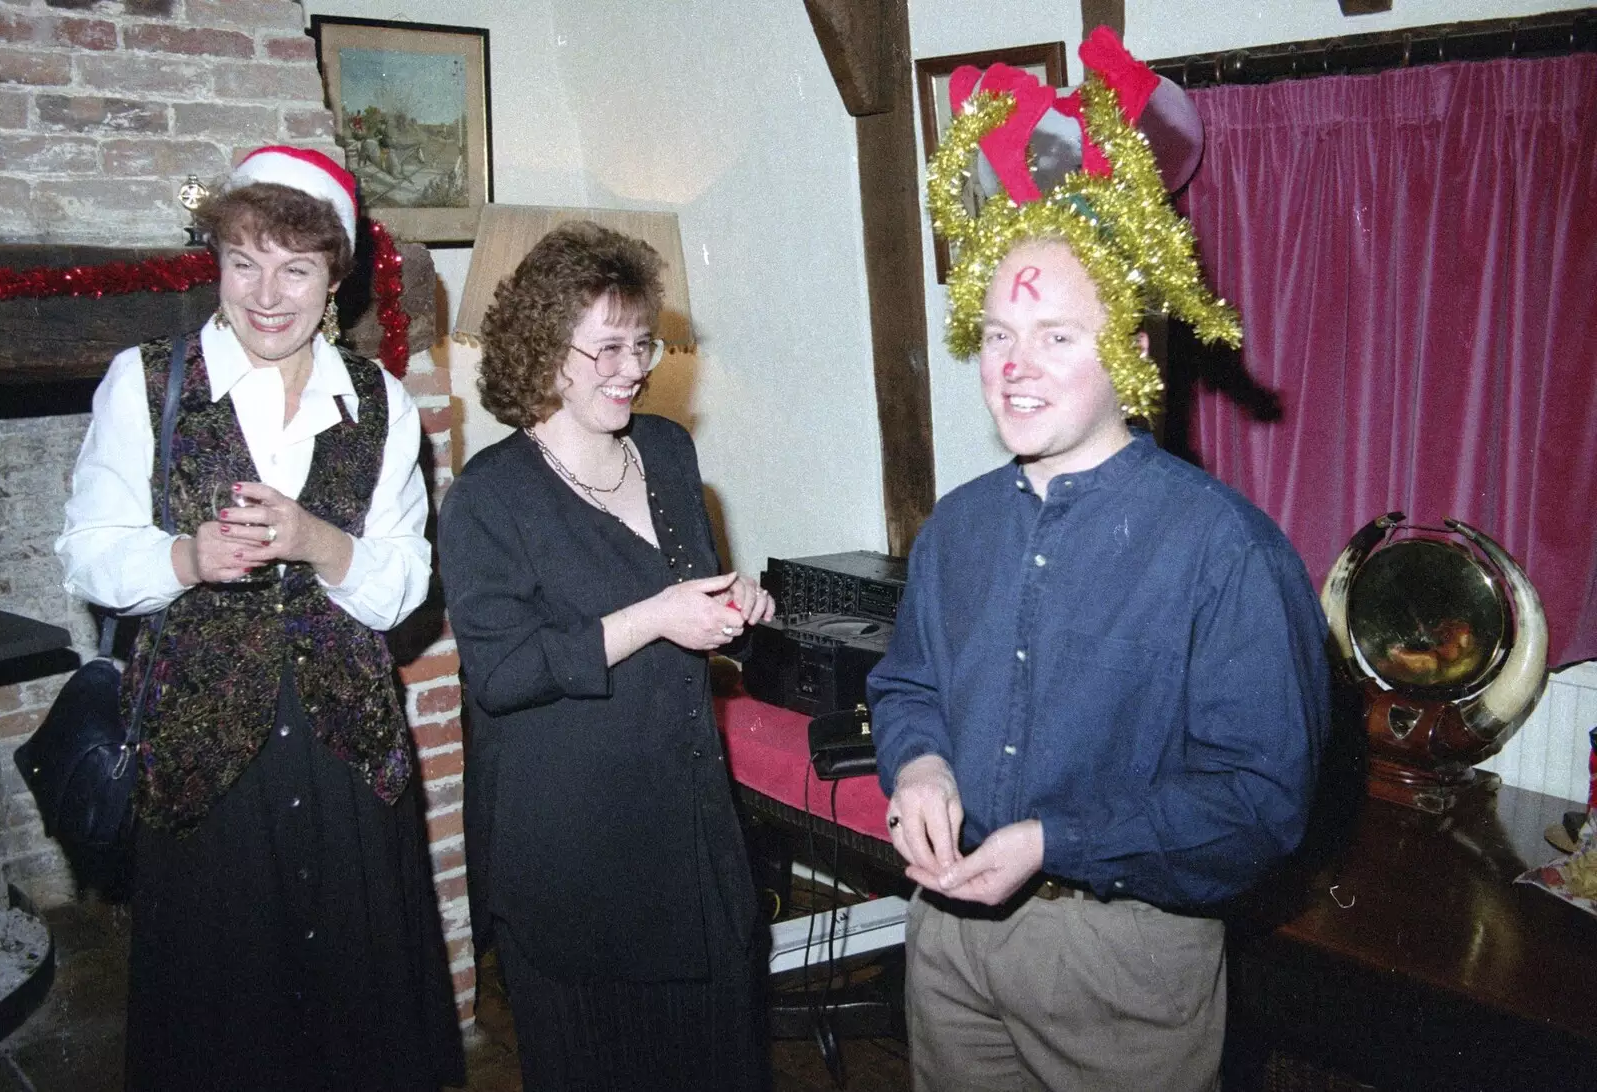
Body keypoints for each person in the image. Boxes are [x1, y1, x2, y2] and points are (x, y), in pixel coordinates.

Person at [868, 29, 1331, 1092]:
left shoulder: (1227, 553)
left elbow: (1258, 806)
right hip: (946, 946)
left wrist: (1054, 839)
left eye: (1056, 340)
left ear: (1125, 350)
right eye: (994, 337)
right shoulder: (957, 528)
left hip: (1123, 967)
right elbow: (907, 688)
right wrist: (921, 765)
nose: (1013, 370)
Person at [55, 146, 464, 1092]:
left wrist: (321, 541)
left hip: (344, 749)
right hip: (201, 747)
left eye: (296, 268)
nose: (267, 294)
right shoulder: (147, 383)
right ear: (219, 262)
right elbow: (87, 549)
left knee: (354, 1012)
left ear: (334, 278)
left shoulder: (381, 403)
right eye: (245, 263)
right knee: (222, 1017)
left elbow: (404, 583)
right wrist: (185, 558)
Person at [437, 221, 776, 1091]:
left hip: (690, 831)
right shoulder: (489, 498)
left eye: (643, 342)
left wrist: (733, 606)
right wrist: (655, 616)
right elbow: (502, 674)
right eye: (609, 348)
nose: (635, 367)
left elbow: (689, 598)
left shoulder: (666, 451)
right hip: (577, 860)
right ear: (549, 353)